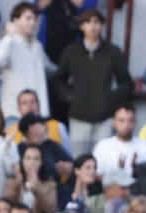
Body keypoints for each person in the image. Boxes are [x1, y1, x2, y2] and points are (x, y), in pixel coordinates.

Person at [51, 8, 131, 159]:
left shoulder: (112, 52)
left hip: (104, 118)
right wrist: (69, 96)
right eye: (88, 22)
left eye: (97, 22)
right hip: (78, 116)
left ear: (102, 25)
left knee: (103, 160)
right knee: (78, 160)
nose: (92, 26)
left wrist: (110, 99)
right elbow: (59, 79)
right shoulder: (71, 51)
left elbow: (126, 82)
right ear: (81, 26)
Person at [0, 2, 54, 122]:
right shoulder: (10, 42)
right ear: (16, 20)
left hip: (38, 111)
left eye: (34, 19)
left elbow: (50, 69)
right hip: (14, 112)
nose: (33, 23)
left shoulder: (37, 45)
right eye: (28, 18)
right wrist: (9, 36)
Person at [92, 106, 146, 196]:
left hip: (138, 196)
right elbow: (96, 175)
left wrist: (137, 169)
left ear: (135, 122)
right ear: (113, 122)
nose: (126, 125)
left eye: (130, 120)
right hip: (108, 195)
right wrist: (118, 173)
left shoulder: (145, 146)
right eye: (121, 120)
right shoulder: (102, 146)